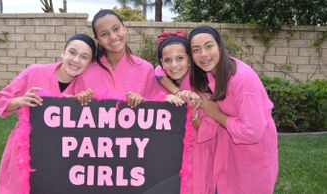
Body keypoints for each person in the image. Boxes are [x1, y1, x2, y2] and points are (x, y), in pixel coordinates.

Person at [0, 34, 97, 194]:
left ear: (90, 63)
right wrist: (22, 100)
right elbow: (0, 99)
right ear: (63, 52)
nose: (76, 60)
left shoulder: (85, 88)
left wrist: (81, 104)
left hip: (60, 154)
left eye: (84, 57)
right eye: (72, 52)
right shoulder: (34, 72)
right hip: (25, 150)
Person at [188, 26, 278, 194]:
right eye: (196, 50)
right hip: (229, 152)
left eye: (209, 46)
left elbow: (253, 132)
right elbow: (163, 71)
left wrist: (216, 114)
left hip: (253, 155)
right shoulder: (208, 74)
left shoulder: (242, 79)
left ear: (219, 47)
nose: (204, 54)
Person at [156, 31, 216, 194]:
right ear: (162, 62)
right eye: (167, 60)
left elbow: (209, 132)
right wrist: (168, 99)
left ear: (190, 59)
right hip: (170, 157)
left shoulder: (204, 87)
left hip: (197, 159)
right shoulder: (160, 84)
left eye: (180, 58)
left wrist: (193, 111)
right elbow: (157, 72)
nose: (174, 65)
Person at [73, 9, 160, 107]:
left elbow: (157, 107)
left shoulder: (146, 69)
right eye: (104, 34)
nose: (113, 37)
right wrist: (79, 99)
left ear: (124, 28)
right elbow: (72, 111)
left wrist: (143, 102)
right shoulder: (85, 72)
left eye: (116, 29)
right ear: (99, 41)